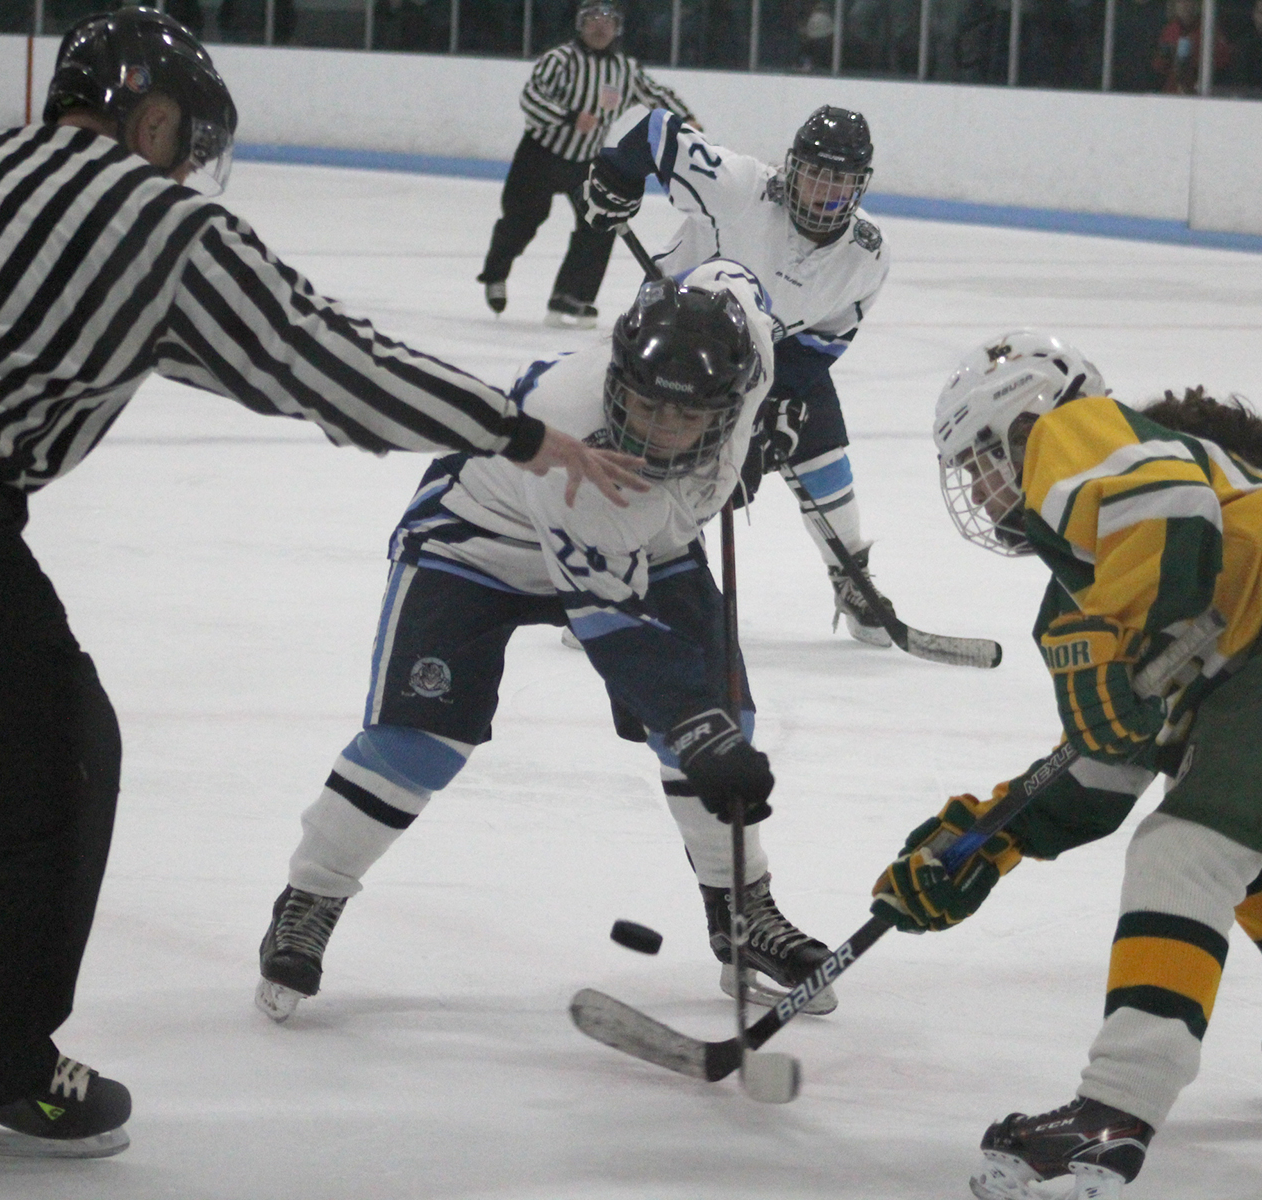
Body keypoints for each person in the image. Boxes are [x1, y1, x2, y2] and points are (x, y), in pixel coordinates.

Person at [0, 7, 641, 1163]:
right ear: (153, 115)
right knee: (54, 767)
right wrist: (517, 433)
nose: (187, 168)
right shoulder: (159, 223)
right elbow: (322, 356)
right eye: (184, 141)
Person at [868, 332, 1262, 1199]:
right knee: (1235, 836)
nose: (977, 487)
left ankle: (1111, 1115)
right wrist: (985, 842)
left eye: (979, 462)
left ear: (1026, 424)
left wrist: (1111, 633)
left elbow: (1169, 503)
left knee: (1180, 851)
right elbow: (1105, 769)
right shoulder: (1165, 553)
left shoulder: (1076, 434)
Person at [254, 260, 841, 1025]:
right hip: (480, 544)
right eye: (641, 404)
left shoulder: (748, 352)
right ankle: (312, 896)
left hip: (649, 542)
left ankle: (743, 911)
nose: (656, 430)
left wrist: (771, 415)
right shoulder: (574, 433)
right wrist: (698, 731)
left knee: (727, 718)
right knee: (420, 740)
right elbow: (612, 628)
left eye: (683, 418)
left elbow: (735, 283)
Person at [578, 105, 903, 645]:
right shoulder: (742, 187)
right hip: (673, 345)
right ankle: (618, 578)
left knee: (819, 436)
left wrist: (780, 400)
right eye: (815, 173)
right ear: (791, 168)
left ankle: (850, 574)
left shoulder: (867, 256)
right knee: (677, 469)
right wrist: (616, 175)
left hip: (761, 356)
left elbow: (826, 337)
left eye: (840, 181)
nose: (824, 190)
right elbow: (654, 131)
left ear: (860, 187)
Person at [476, 1, 698, 329]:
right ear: (581, 24)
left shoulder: (624, 69)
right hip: (540, 154)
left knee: (599, 224)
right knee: (522, 220)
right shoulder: (559, 59)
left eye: (608, 21)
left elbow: (656, 94)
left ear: (618, 27)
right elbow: (531, 98)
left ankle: (572, 296)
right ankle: (495, 273)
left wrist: (686, 120)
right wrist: (568, 116)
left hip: (584, 160)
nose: (601, 26)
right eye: (594, 19)